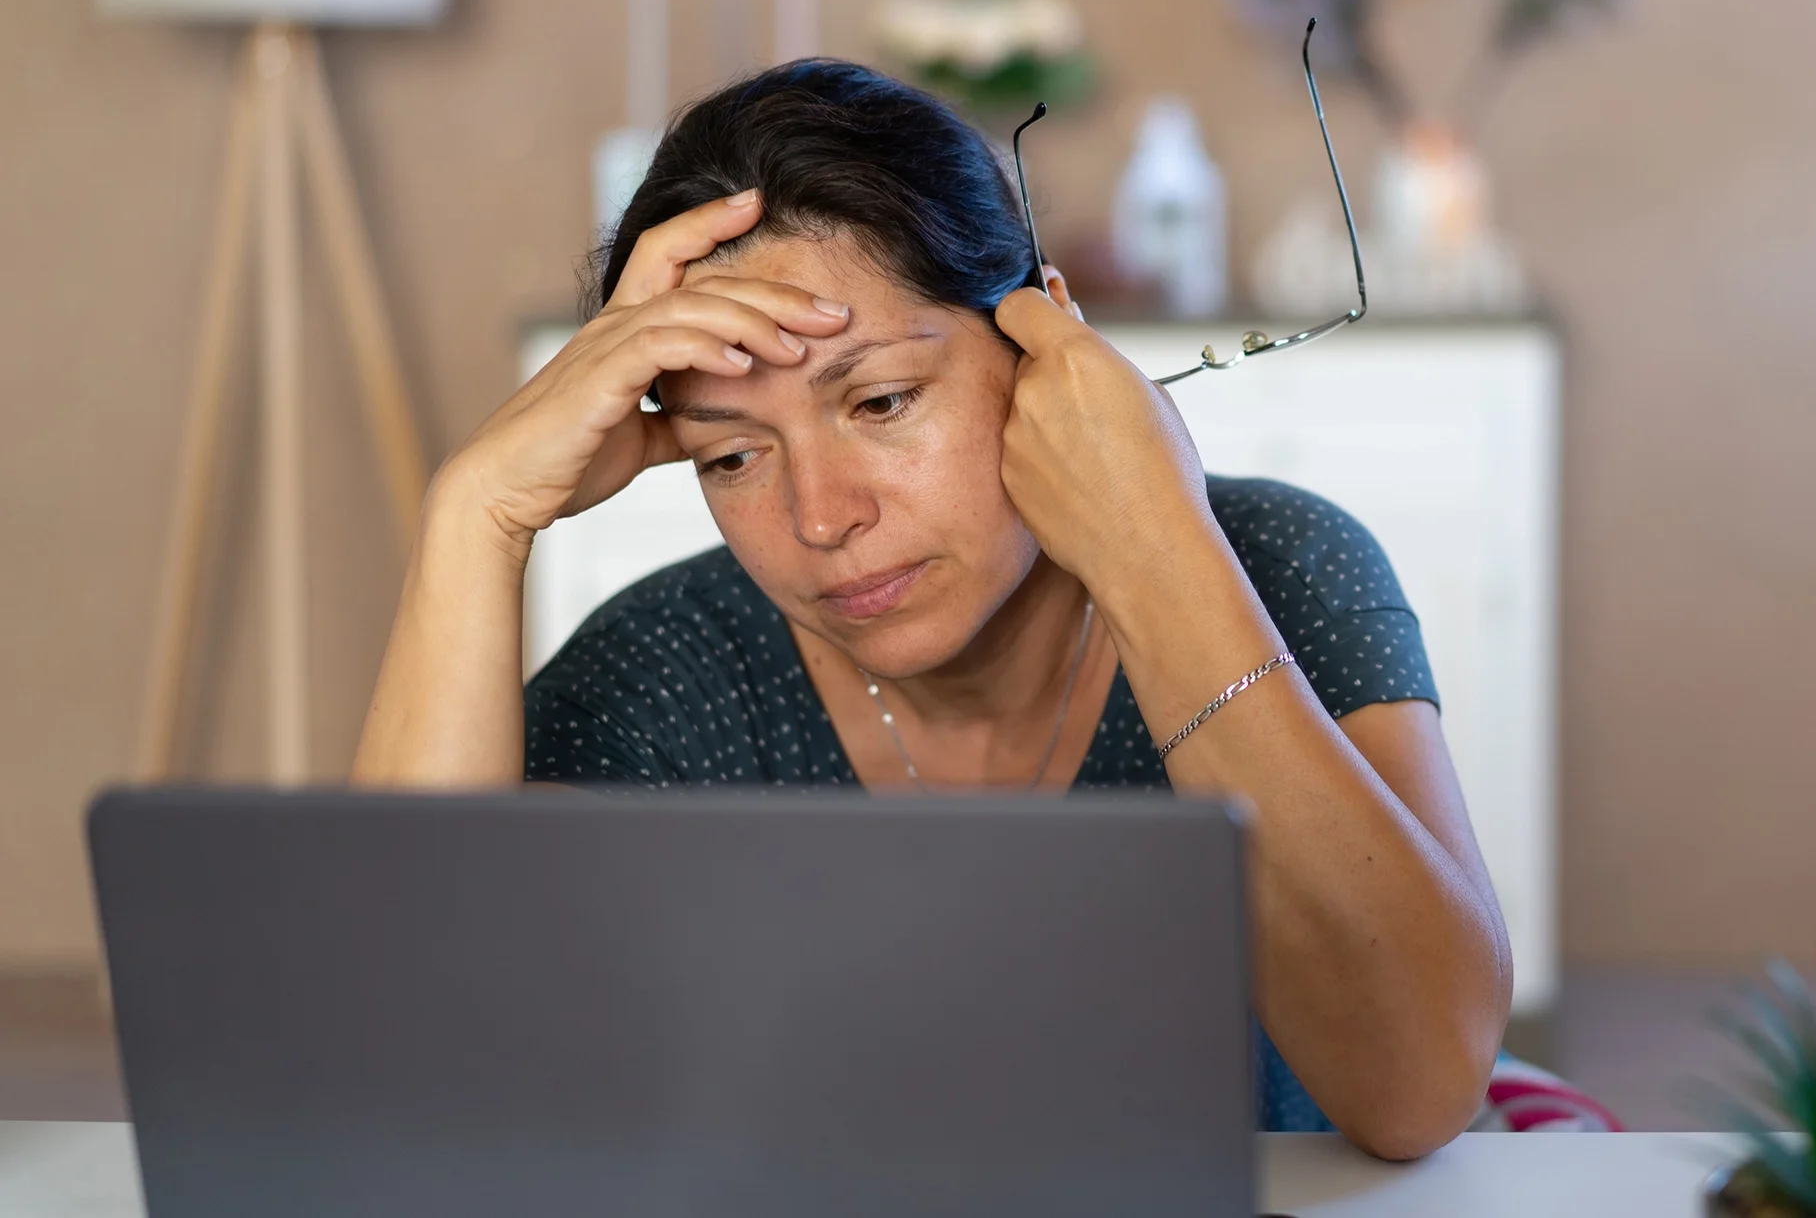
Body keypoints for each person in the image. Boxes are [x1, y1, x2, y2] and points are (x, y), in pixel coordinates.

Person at [350, 59, 1515, 1159]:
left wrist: (1160, 550)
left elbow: (1419, 1084)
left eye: (882, 400)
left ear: (1045, 340)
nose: (820, 517)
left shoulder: (1272, 561)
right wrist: (476, 516)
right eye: (732, 458)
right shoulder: (669, 667)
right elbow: (401, 1074)